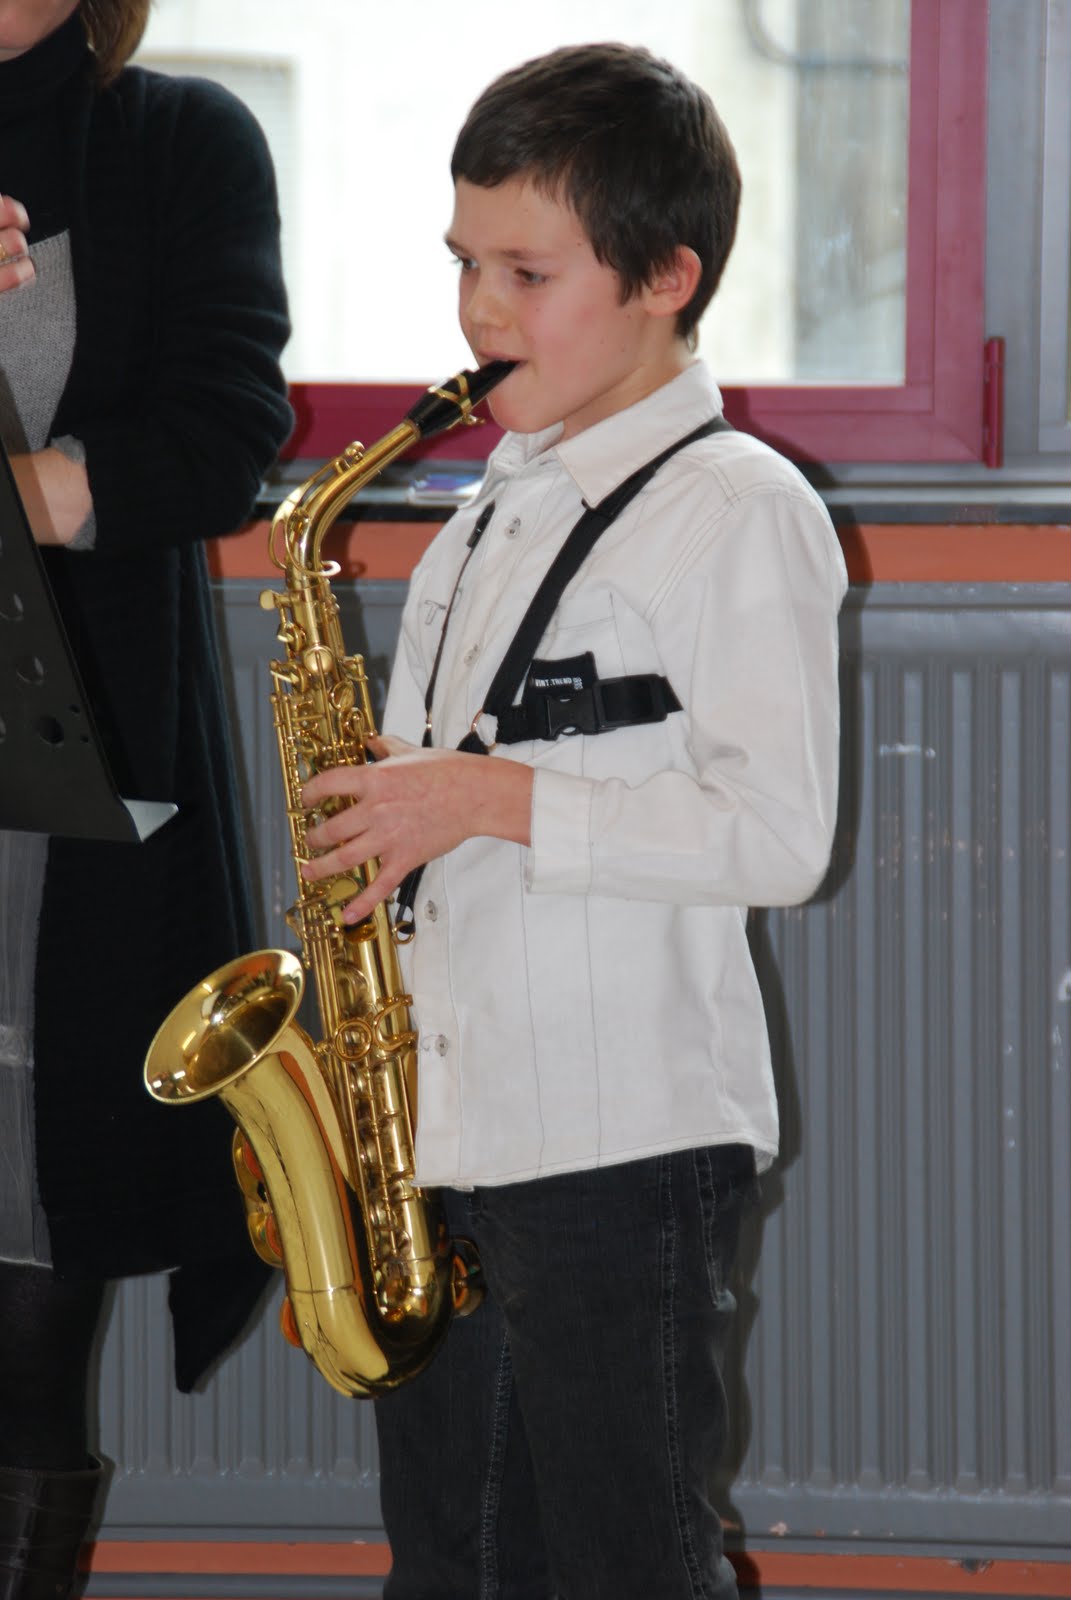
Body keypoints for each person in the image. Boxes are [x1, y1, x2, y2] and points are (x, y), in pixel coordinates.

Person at [300, 41, 846, 1600]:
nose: (479, 312)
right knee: (455, 1559)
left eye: (528, 272)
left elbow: (776, 833)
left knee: (624, 1558)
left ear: (669, 276)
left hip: (620, 1136)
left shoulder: (739, 506)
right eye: (465, 263)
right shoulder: (489, 507)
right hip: (450, 1129)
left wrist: (482, 797)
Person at [0, 1, 292, 1594]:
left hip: (59, 808)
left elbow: (226, 435)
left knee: (24, 1335)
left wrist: (33, 490)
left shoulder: (181, 140)